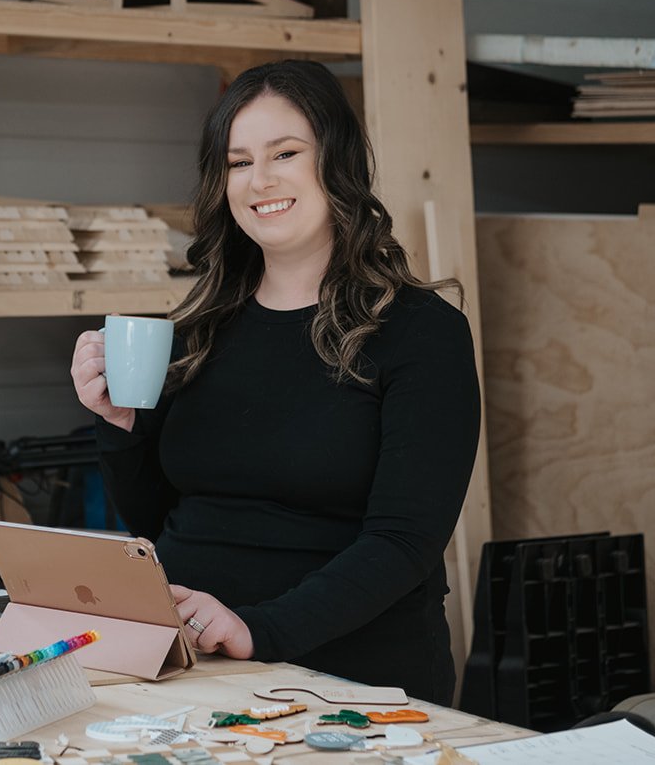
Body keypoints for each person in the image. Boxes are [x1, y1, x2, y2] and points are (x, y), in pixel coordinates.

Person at [69, 59, 480, 704]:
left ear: (336, 162)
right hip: (190, 668)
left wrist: (258, 630)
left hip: (346, 686)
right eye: (237, 163)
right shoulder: (199, 328)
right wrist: (118, 429)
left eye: (284, 153)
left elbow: (404, 544)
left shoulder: (421, 333)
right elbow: (166, 520)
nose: (259, 181)